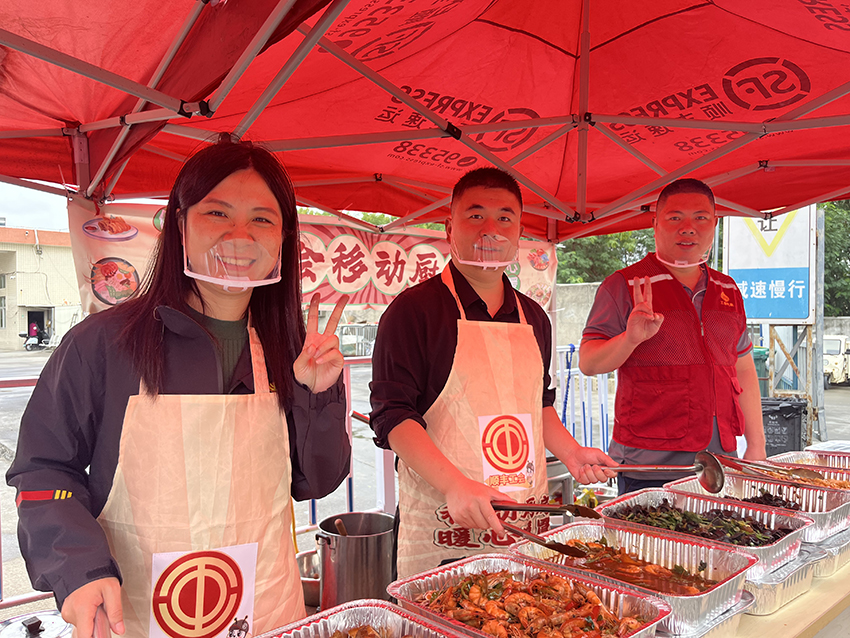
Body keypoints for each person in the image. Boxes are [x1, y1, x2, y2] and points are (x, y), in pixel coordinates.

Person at [7, 139, 351, 637]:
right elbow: (43, 471)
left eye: (261, 219)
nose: (239, 237)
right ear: (180, 225)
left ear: (283, 239)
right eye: (217, 212)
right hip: (134, 613)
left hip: (266, 609)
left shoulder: (292, 349)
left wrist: (317, 394)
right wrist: (77, 570)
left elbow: (315, 483)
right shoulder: (102, 343)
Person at [369, 167, 617, 579]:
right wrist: (454, 484)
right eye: (475, 215)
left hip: (522, 518)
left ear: (519, 231)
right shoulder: (412, 312)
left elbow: (539, 404)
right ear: (450, 227)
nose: (491, 230)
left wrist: (572, 453)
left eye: (505, 217)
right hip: (444, 525)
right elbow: (393, 416)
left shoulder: (534, 317)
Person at [579, 178, 766, 495]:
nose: (688, 228)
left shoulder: (728, 289)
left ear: (714, 224)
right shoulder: (624, 285)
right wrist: (630, 338)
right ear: (655, 223)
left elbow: (744, 368)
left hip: (720, 463)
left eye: (700, 218)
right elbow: (589, 362)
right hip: (648, 466)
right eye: (675, 217)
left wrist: (757, 445)